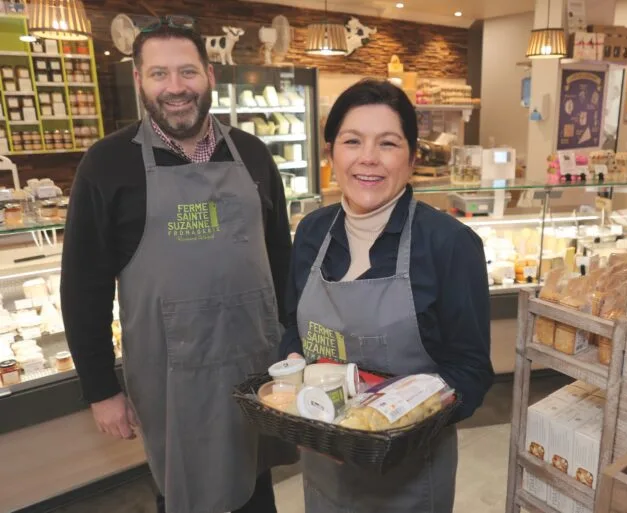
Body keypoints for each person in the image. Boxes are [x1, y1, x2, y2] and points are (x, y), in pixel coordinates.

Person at [60, 18, 296, 513]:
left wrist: (292, 348)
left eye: (187, 72)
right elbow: (83, 288)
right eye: (159, 74)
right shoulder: (106, 165)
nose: (175, 87)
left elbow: (280, 258)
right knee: (187, 492)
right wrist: (101, 389)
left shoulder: (253, 154)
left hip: (257, 366)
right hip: (174, 378)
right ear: (139, 81)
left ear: (209, 75)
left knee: (256, 486)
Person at [279, 79, 494, 512]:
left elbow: (471, 371)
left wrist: (394, 432)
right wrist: (298, 405)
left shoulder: (449, 244)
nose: (368, 158)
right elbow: (292, 331)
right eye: (352, 141)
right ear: (331, 154)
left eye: (388, 143)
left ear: (412, 159)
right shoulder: (312, 233)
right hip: (324, 469)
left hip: (408, 478)